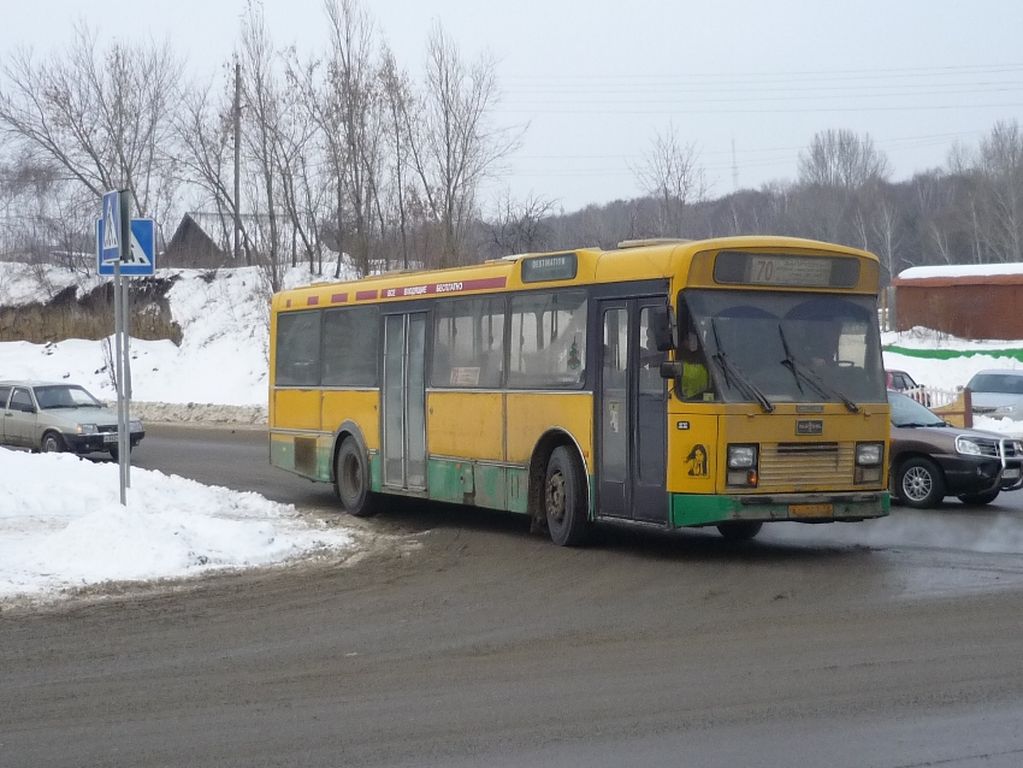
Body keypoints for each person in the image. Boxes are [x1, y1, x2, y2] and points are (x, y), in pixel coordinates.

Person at [678, 329, 711, 400]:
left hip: (700, 403)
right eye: (688, 340)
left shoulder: (707, 368)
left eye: (691, 340)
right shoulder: (678, 364)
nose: (691, 343)